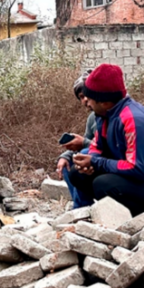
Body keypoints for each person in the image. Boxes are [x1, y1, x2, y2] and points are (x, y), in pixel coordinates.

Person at [69, 63, 144, 216]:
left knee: (103, 184)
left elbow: (137, 168)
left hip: (139, 178)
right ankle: (84, 214)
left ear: (104, 102)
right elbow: (96, 146)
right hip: (128, 175)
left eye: (89, 99)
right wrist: (90, 163)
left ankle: (135, 218)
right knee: (78, 174)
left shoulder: (132, 119)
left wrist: (96, 162)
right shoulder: (103, 115)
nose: (87, 103)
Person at [56, 71, 96, 208]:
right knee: (67, 163)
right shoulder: (93, 118)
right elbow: (88, 140)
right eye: (81, 97)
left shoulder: (116, 115)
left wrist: (84, 144)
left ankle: (79, 210)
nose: (85, 100)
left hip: (115, 165)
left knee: (83, 154)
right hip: (97, 160)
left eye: (87, 94)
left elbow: (112, 147)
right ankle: (82, 208)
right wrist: (64, 156)